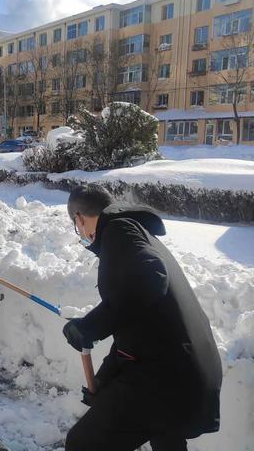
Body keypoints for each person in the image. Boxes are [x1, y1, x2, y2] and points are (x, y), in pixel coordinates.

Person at [63, 185, 222, 451]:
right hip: (185, 371)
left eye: (76, 225)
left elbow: (150, 281)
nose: (80, 233)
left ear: (79, 219)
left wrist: (90, 326)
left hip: (163, 378)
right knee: (166, 439)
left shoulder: (119, 230)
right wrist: (104, 379)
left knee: (83, 443)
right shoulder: (138, 233)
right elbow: (136, 322)